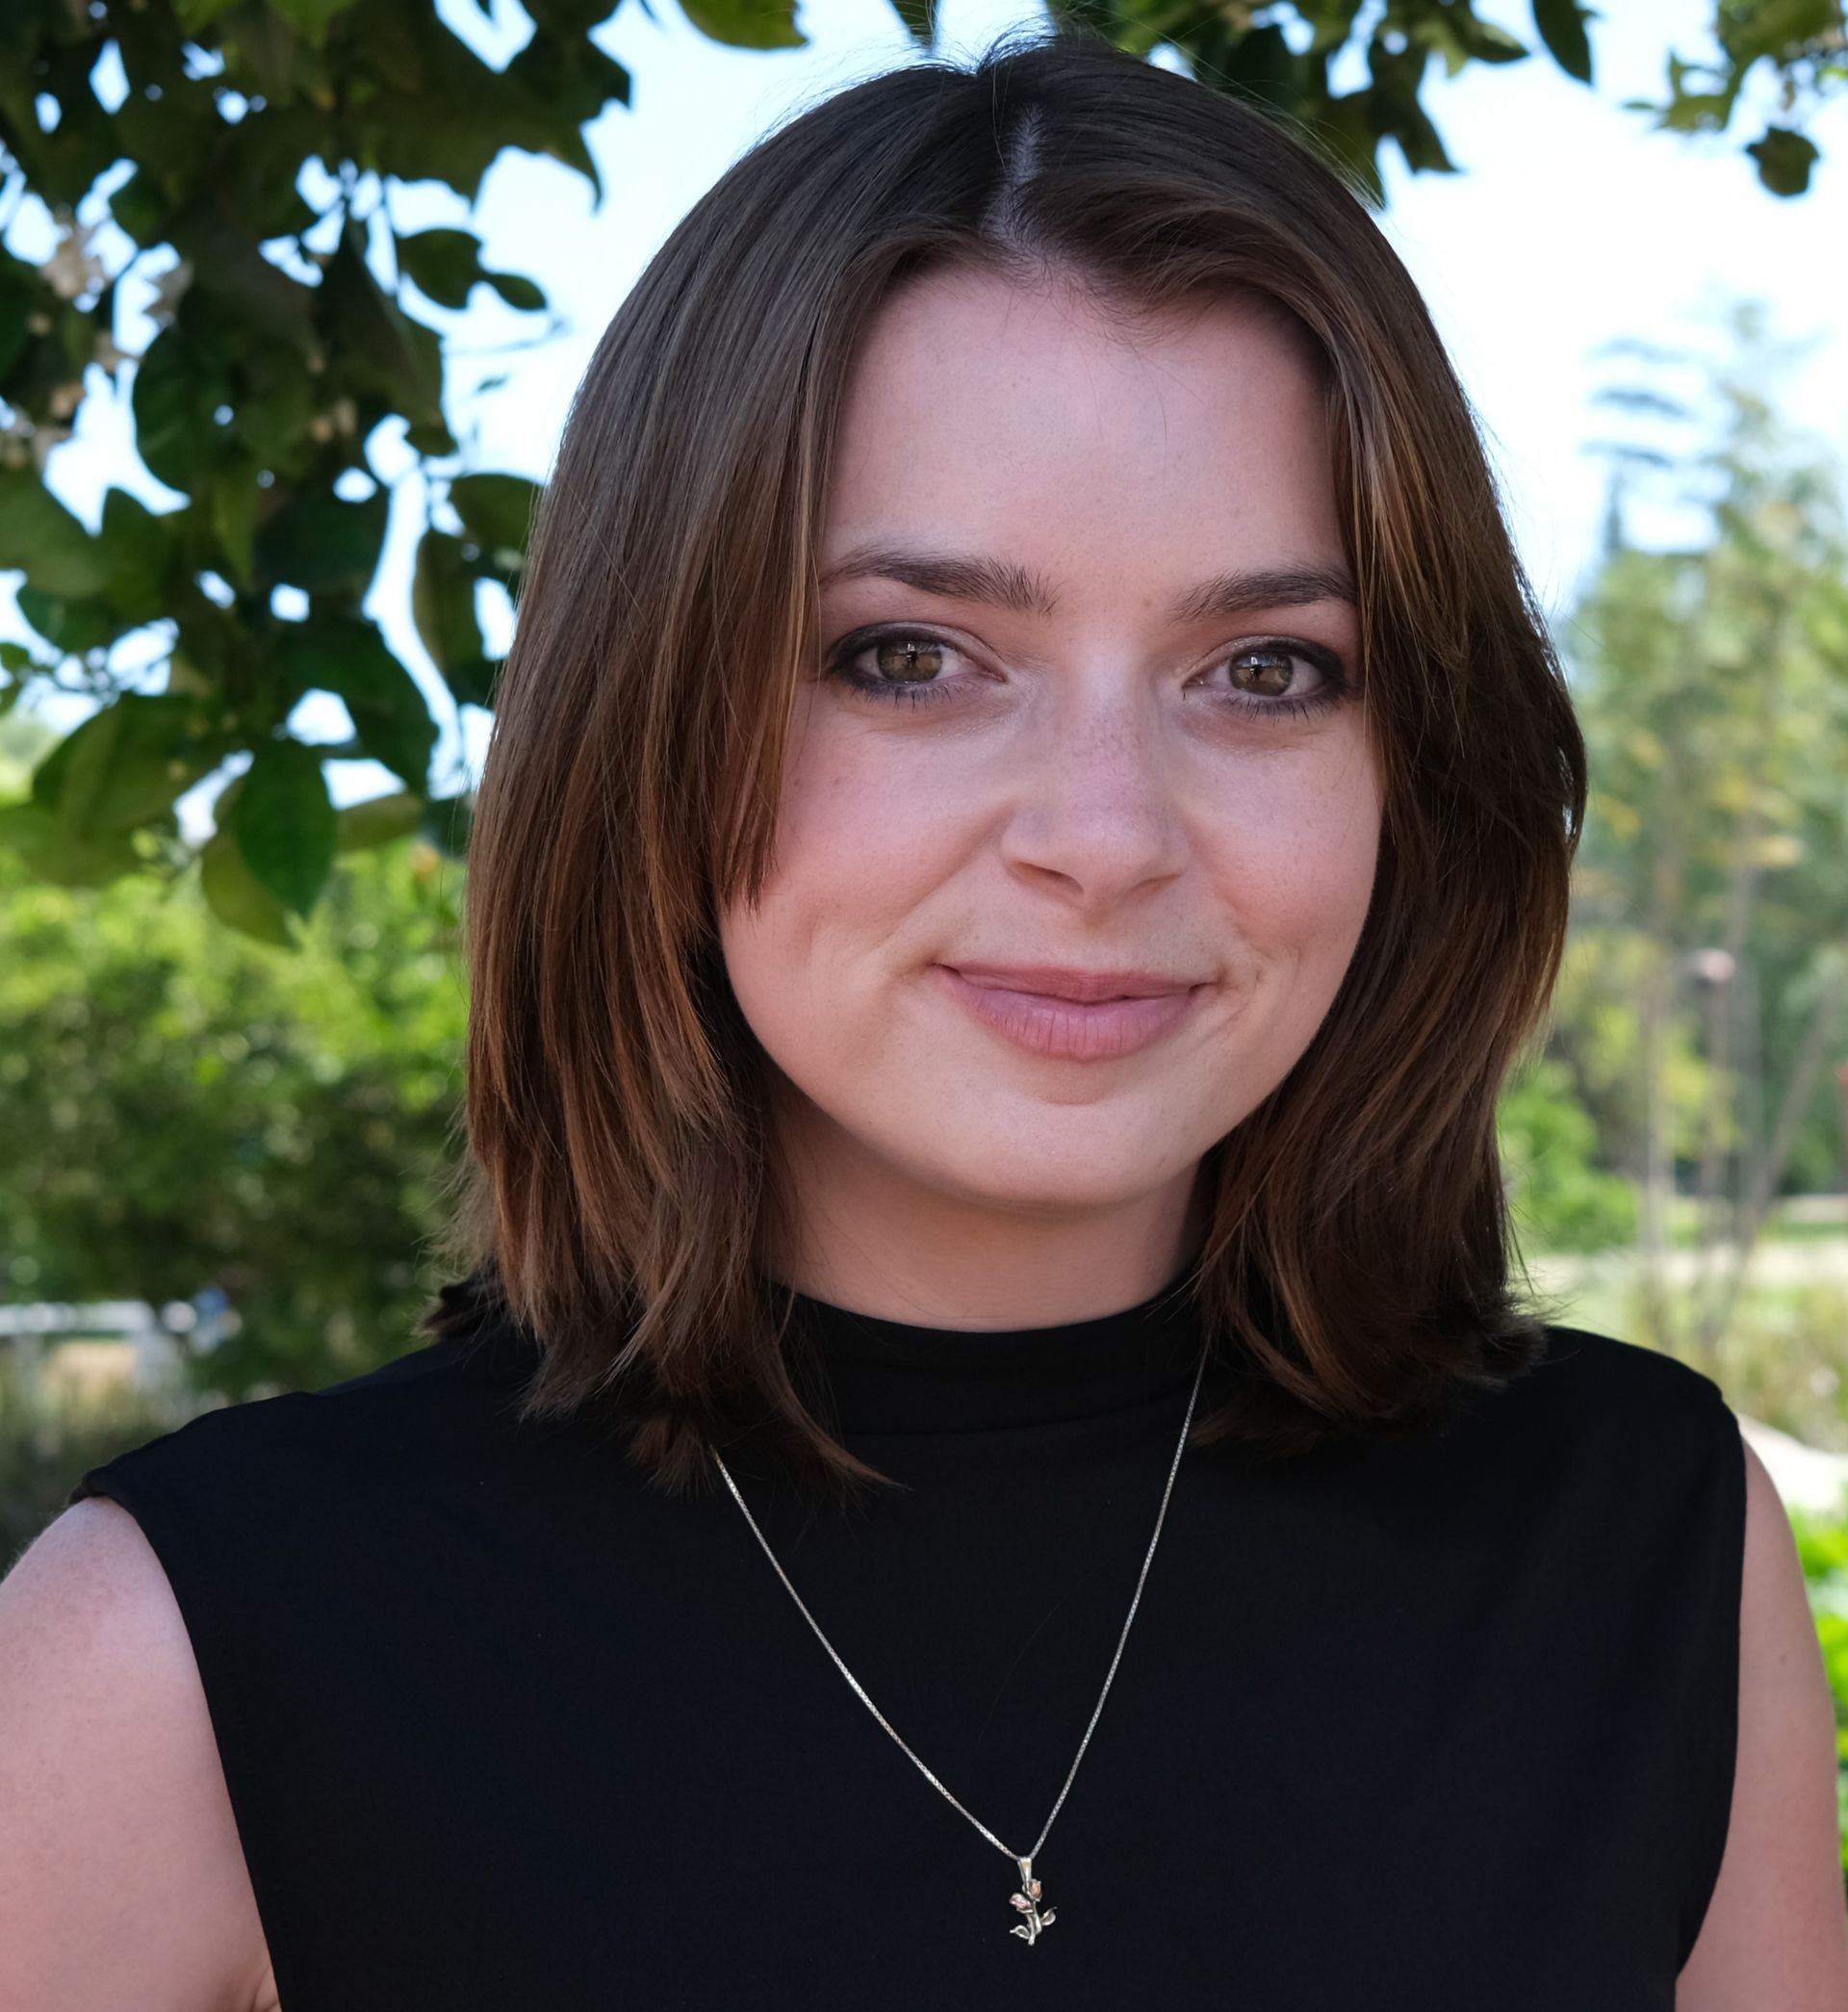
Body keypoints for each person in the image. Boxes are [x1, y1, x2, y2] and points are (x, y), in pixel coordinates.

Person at [2, 25, 1843, 2010]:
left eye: (1267, 671)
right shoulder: (172, 1662)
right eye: (912, 656)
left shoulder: (1645, 1548)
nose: (1108, 835)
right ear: (648, 713)